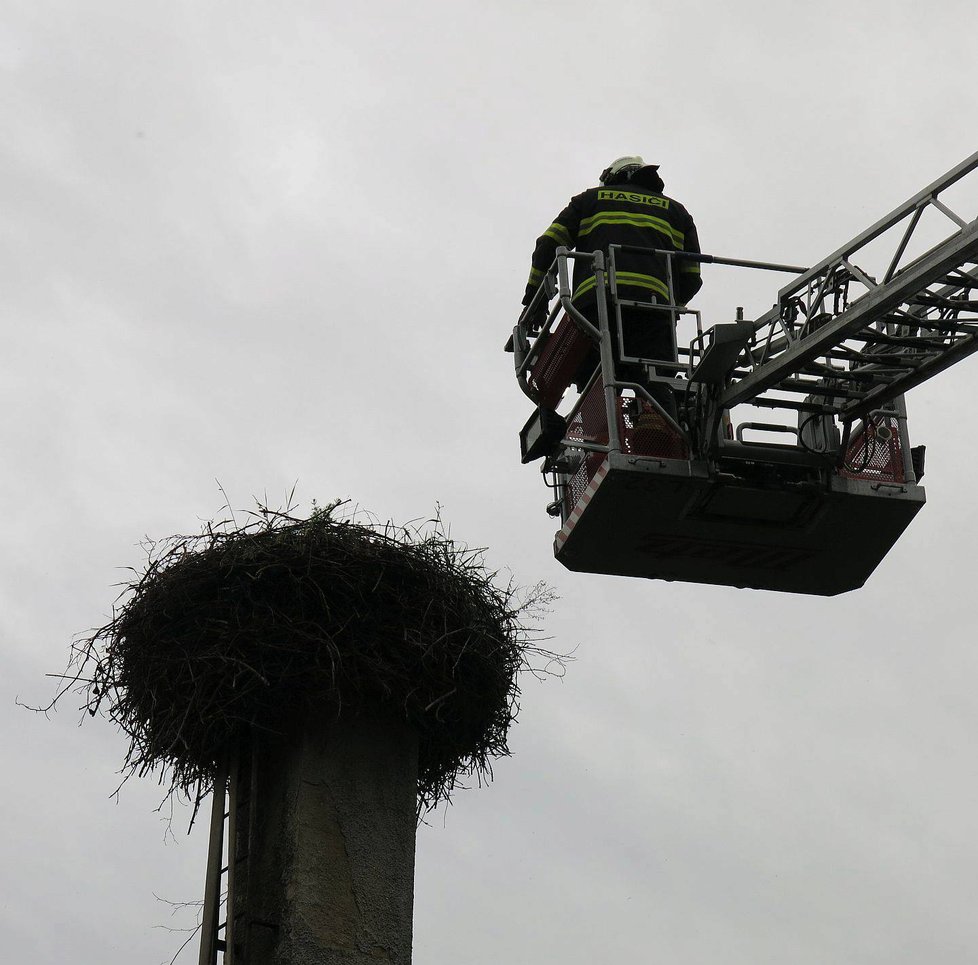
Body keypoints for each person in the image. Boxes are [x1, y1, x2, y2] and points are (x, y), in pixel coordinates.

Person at [521, 155, 702, 419]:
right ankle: (661, 436)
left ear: (613, 177)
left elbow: (547, 246)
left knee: (597, 381)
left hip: (594, 308)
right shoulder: (677, 212)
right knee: (655, 383)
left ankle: (600, 439)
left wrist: (534, 300)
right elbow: (692, 277)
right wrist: (670, 308)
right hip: (654, 312)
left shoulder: (590, 200)